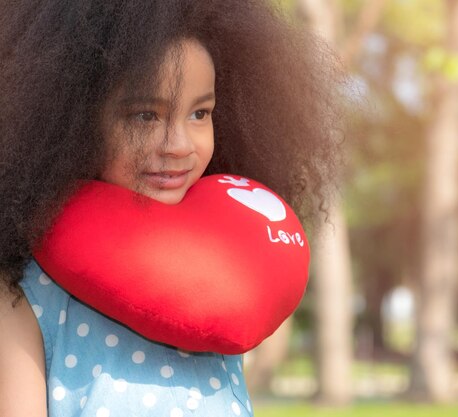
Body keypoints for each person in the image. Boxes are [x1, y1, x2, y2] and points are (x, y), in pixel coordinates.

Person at [0, 1, 343, 415]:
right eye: (145, 115)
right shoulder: (22, 292)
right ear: (72, 118)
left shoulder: (214, 276)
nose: (179, 145)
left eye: (200, 113)